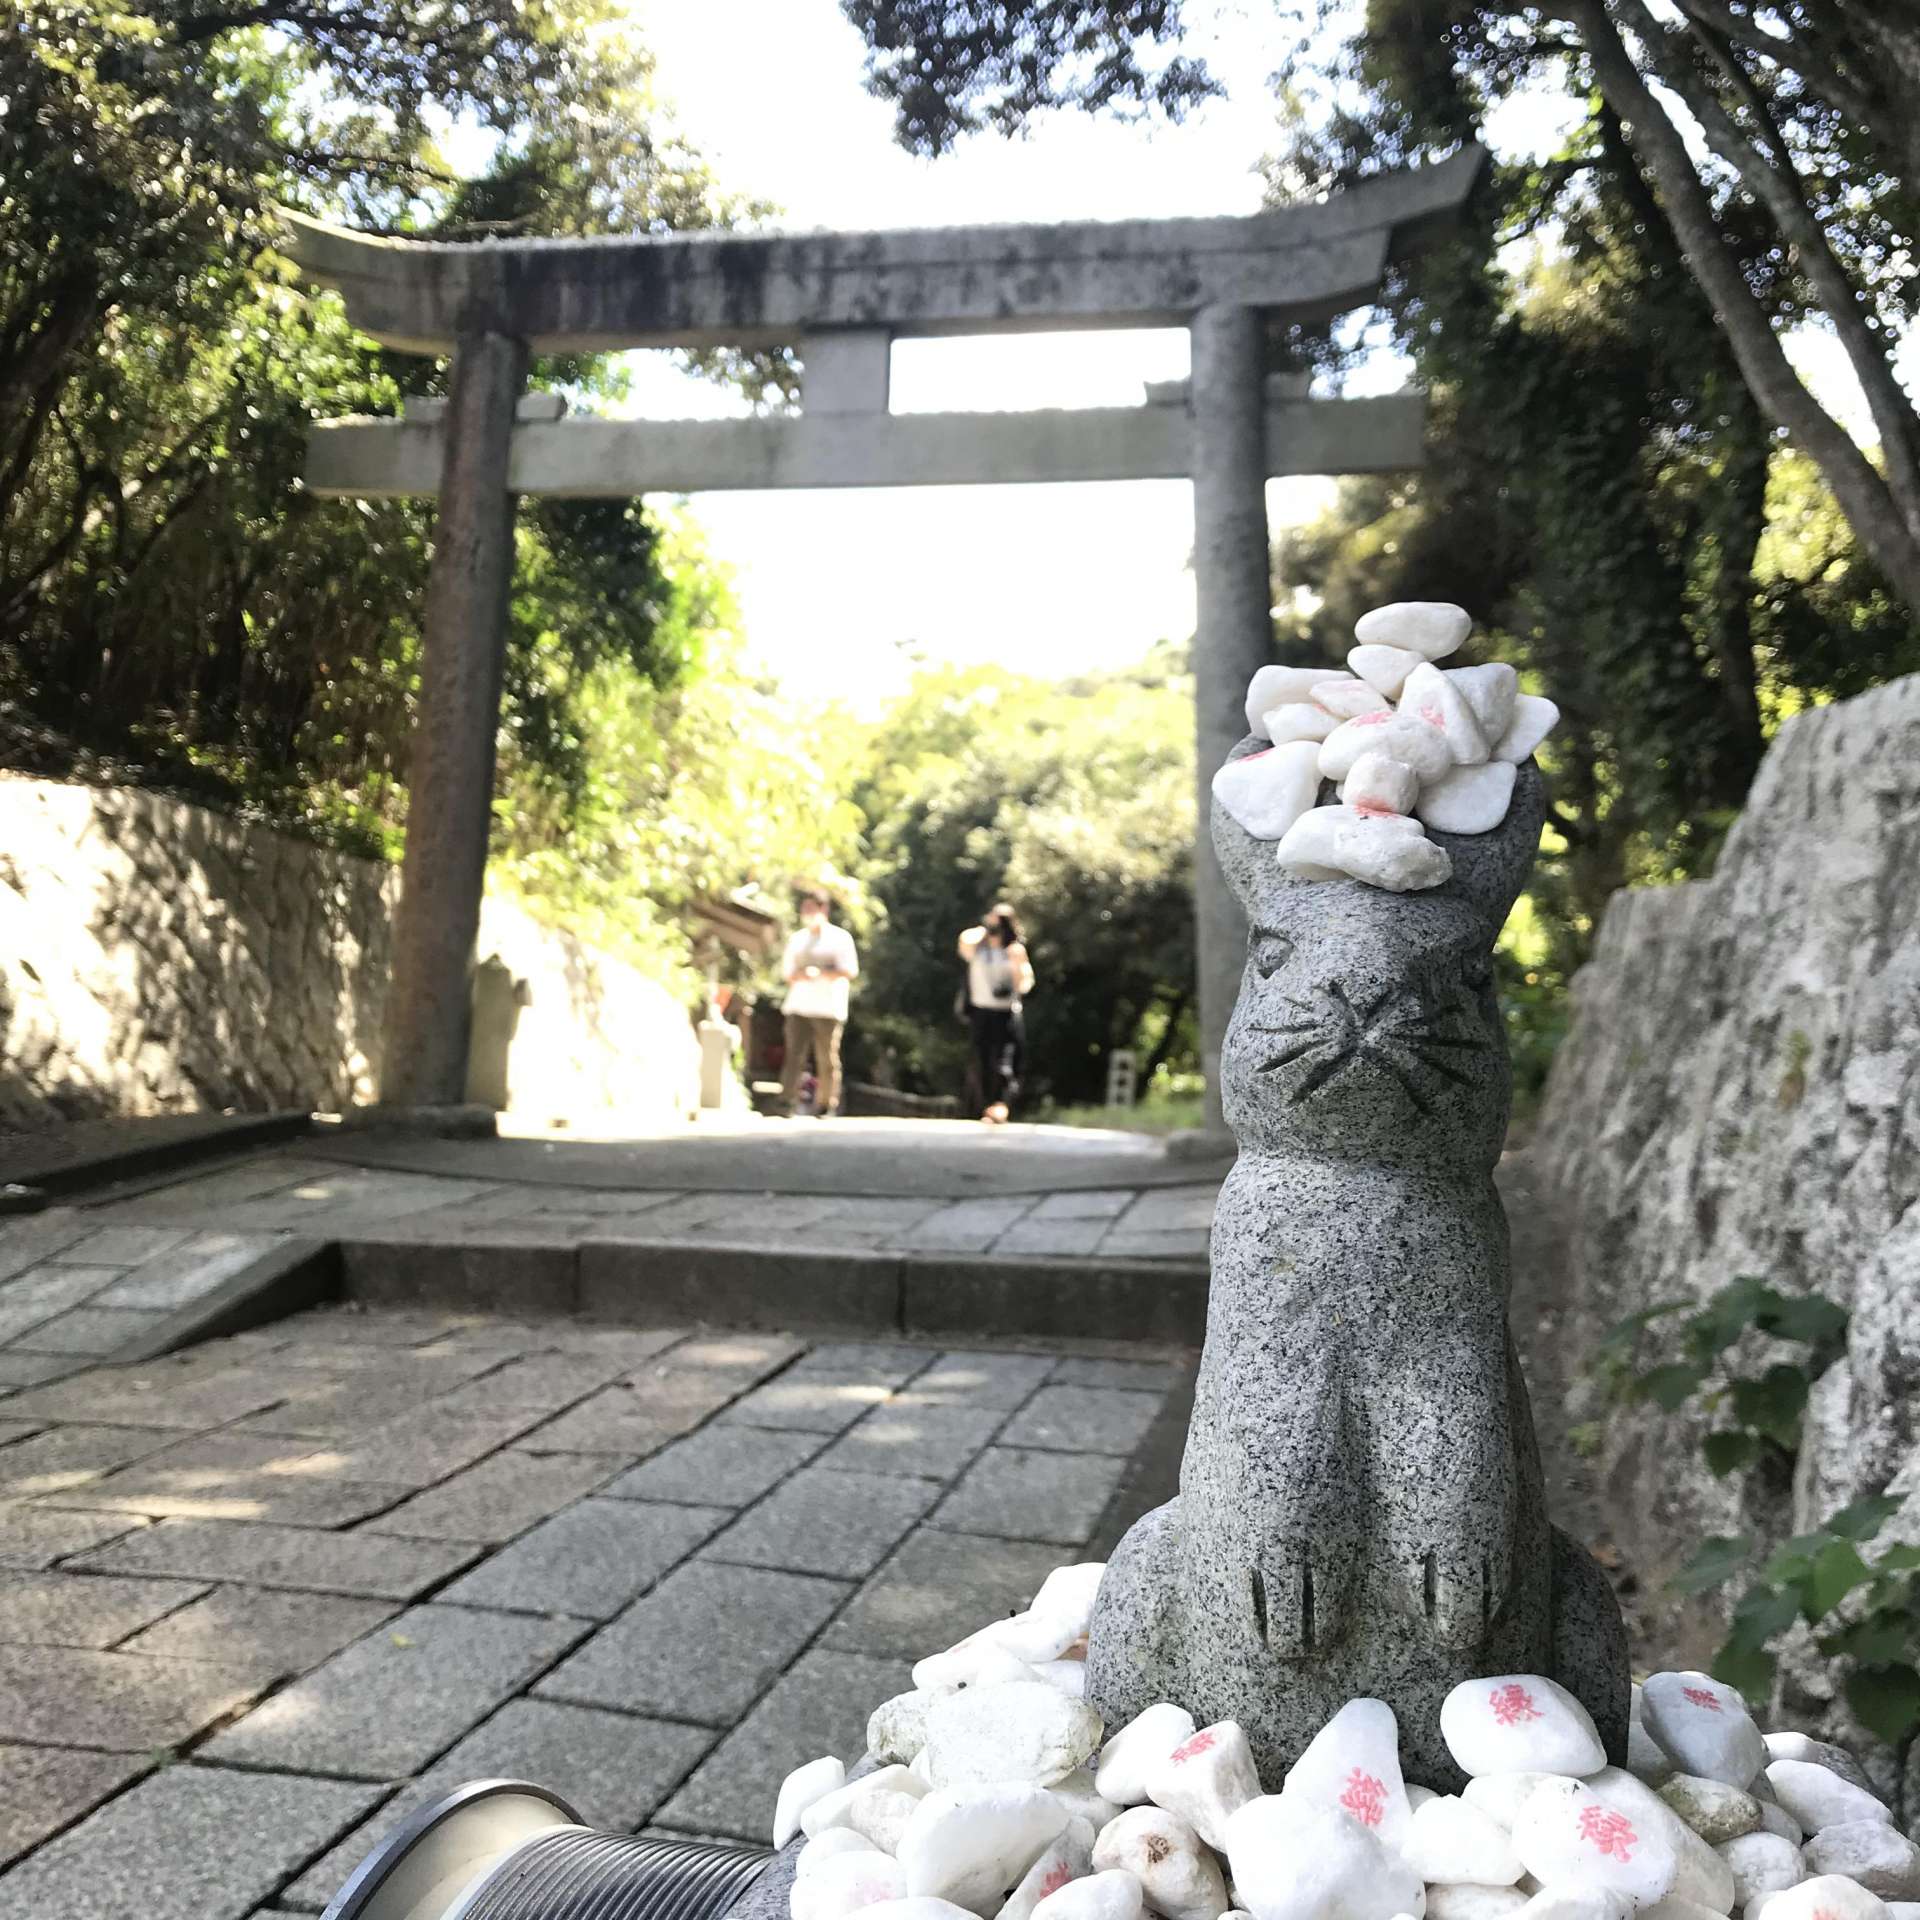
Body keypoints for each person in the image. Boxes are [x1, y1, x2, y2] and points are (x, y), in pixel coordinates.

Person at [780, 890, 858, 1117]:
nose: (807, 913)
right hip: (799, 1005)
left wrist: (822, 972)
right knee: (794, 1055)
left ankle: (826, 1103)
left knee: (827, 1058)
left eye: (811, 908)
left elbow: (849, 970)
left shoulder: (840, 938)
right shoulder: (797, 939)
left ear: (823, 909)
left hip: (828, 1008)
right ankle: (786, 1101)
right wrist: (802, 974)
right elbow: (788, 972)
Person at [958, 902, 1034, 1124]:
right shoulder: (978, 949)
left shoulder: (1014, 951)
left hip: (1006, 1012)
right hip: (980, 1011)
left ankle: (1000, 1104)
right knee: (981, 1060)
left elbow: (1024, 985)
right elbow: (963, 940)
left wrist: (1016, 963)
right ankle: (985, 1106)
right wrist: (987, 929)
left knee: (1004, 1061)